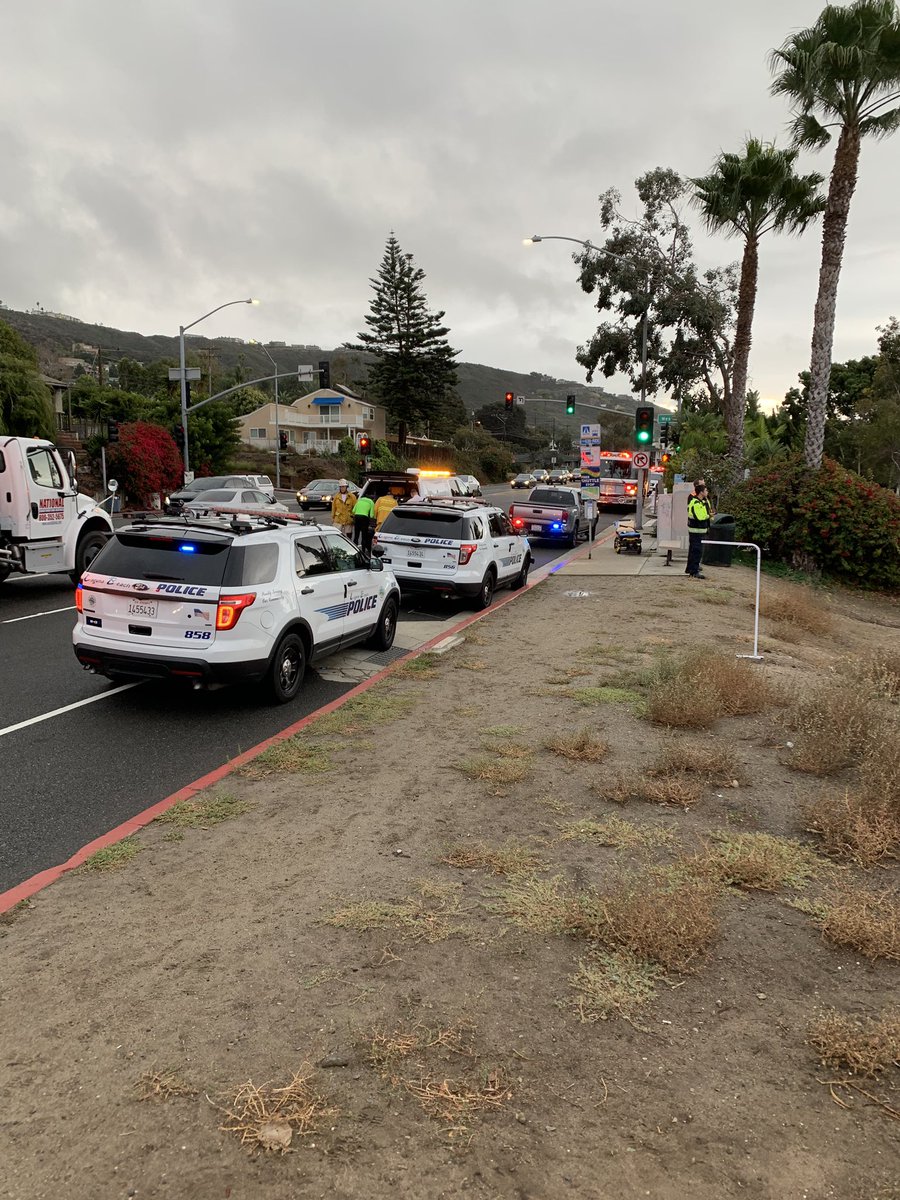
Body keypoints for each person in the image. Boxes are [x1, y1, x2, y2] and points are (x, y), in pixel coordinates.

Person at [686, 481, 713, 579]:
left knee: (695, 551)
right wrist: (708, 516)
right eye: (705, 490)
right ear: (701, 492)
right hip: (695, 531)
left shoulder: (703, 500)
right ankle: (694, 571)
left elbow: (706, 510)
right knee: (696, 551)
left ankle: (692, 569)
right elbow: (700, 516)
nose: (707, 491)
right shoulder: (695, 502)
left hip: (699, 530)